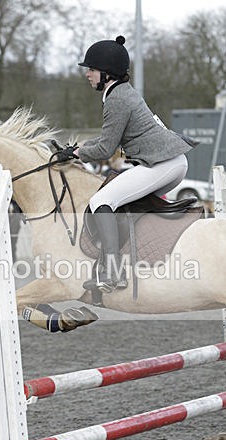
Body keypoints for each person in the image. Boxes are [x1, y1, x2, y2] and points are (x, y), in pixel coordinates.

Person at [71, 35, 192, 293]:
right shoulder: (120, 93)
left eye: (91, 69)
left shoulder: (116, 99)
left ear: (106, 73)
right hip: (169, 162)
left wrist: (78, 154)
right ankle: (122, 266)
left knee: (100, 202)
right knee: (121, 204)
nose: (87, 74)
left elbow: (105, 148)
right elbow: (106, 139)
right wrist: (79, 148)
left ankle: (113, 273)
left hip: (163, 164)